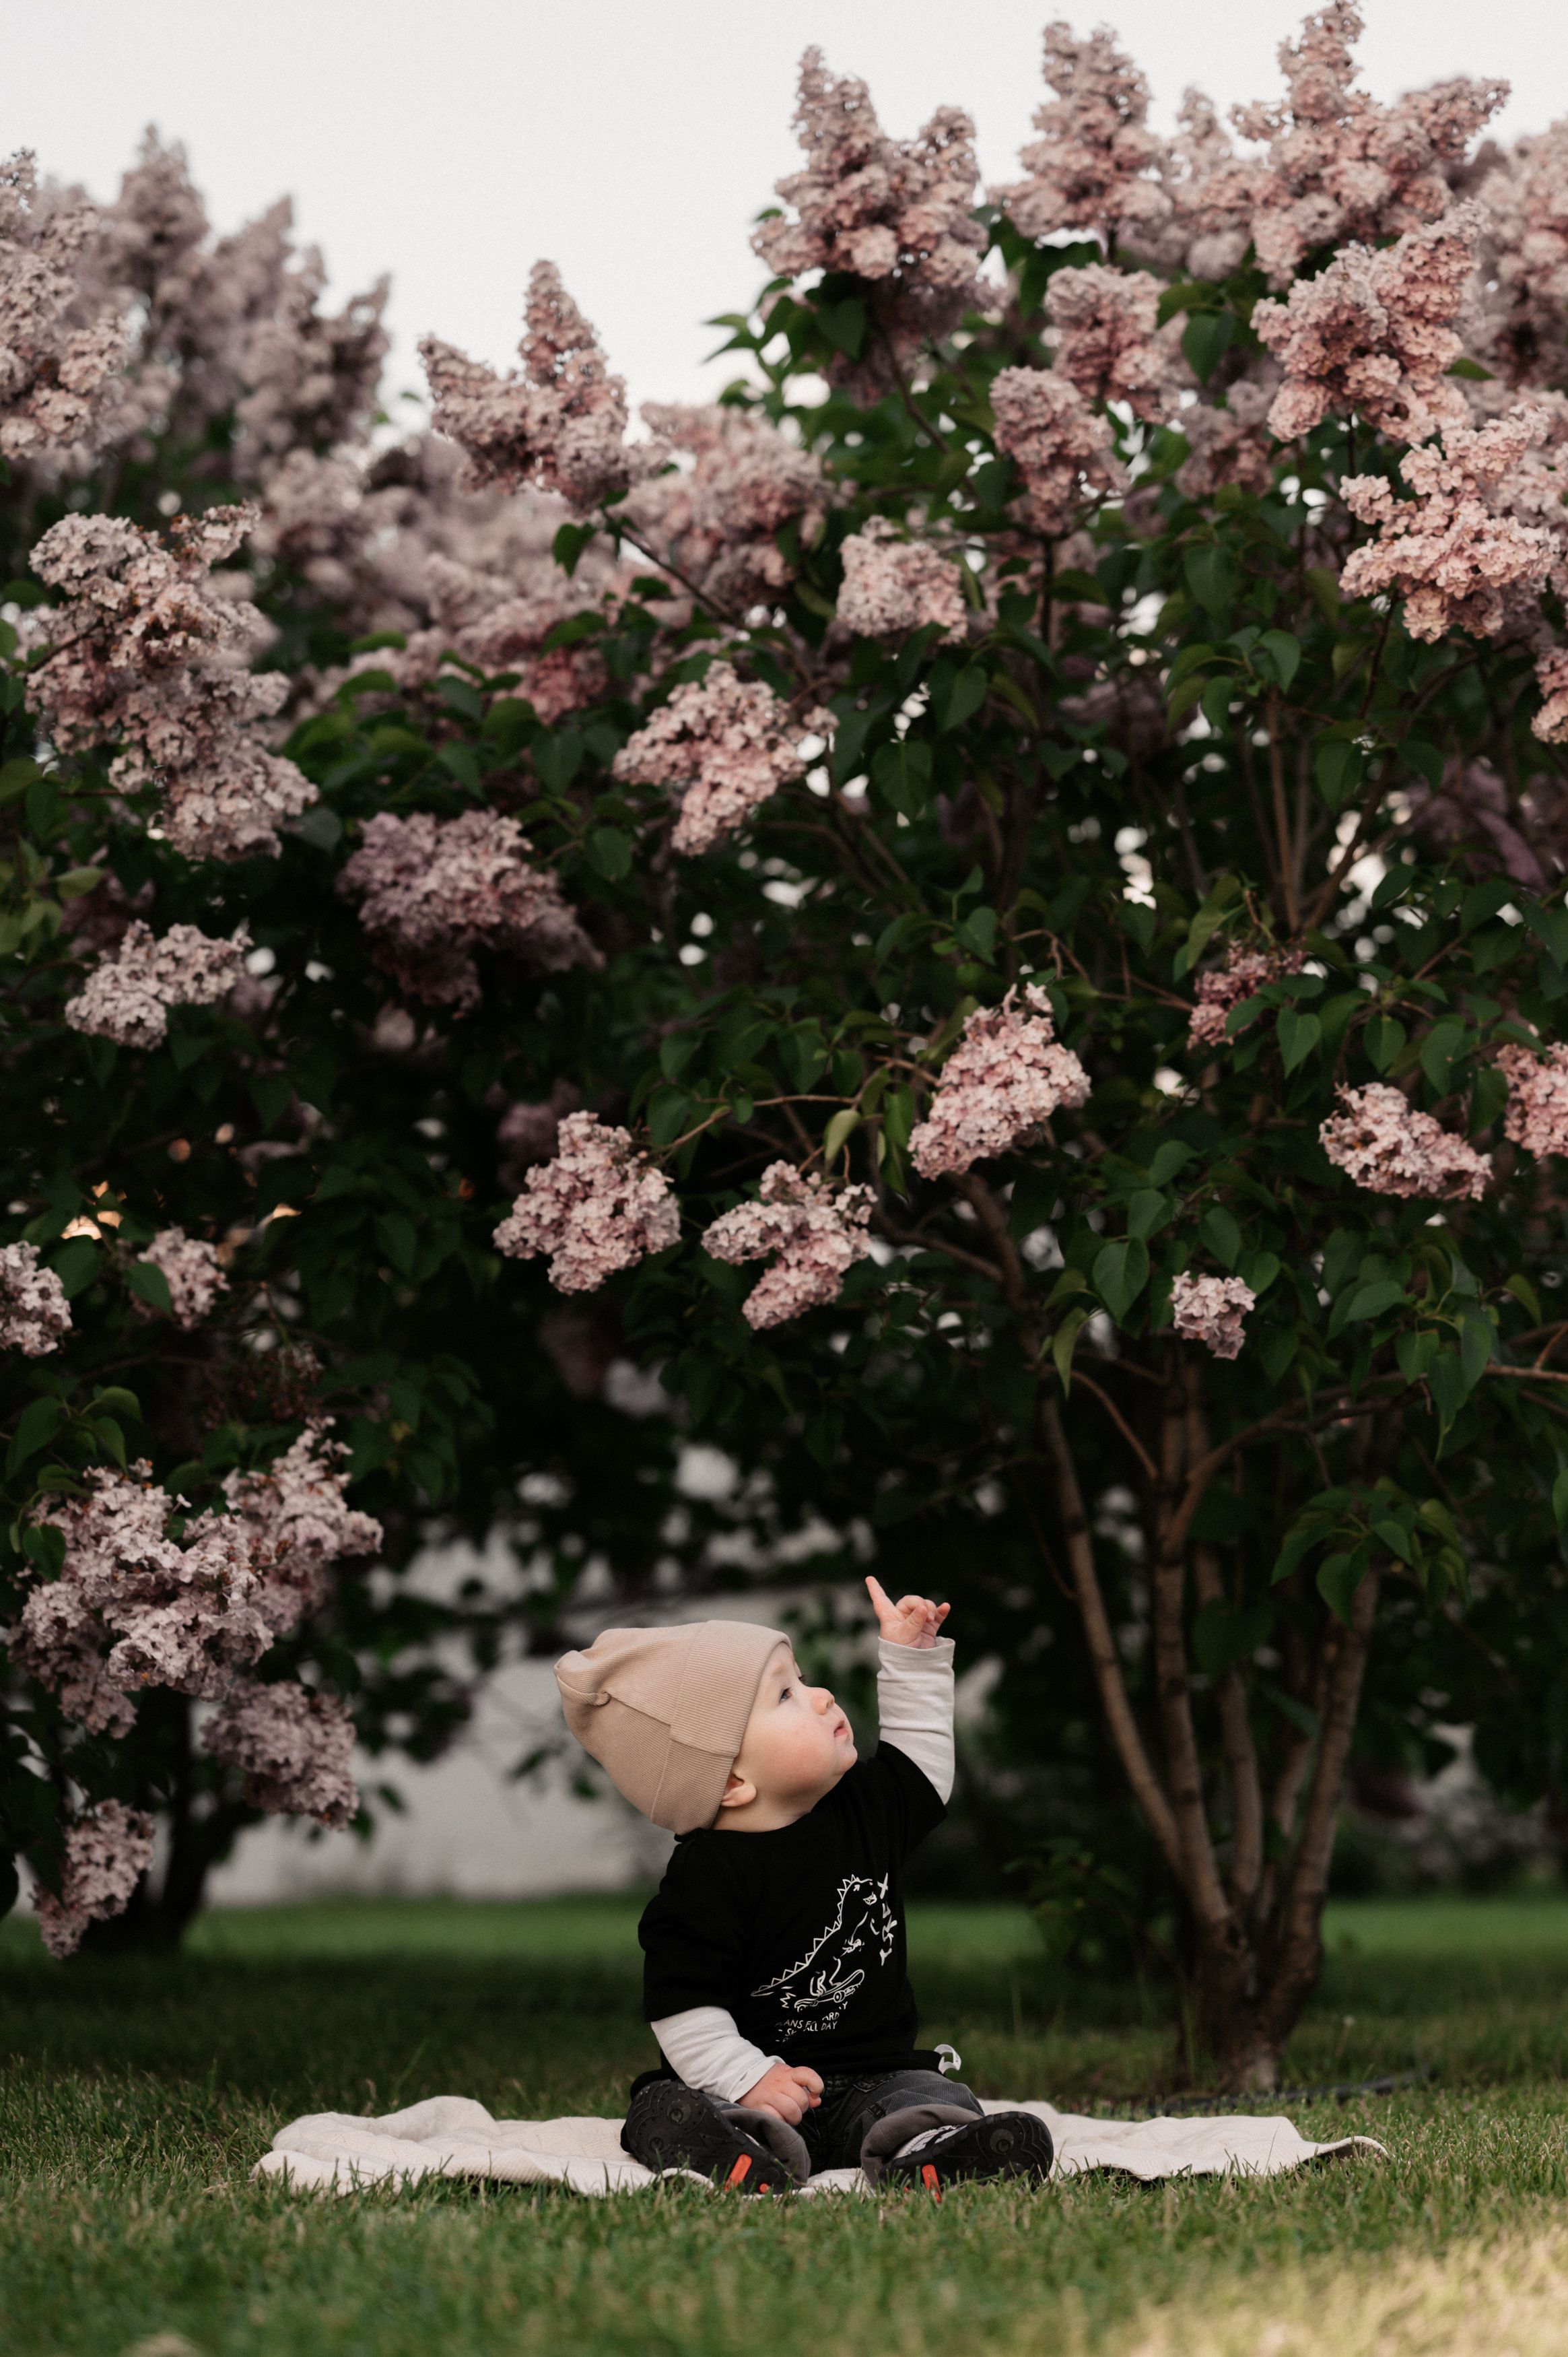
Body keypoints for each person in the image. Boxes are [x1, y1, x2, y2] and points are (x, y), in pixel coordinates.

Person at [553, 1576, 1054, 2196]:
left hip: (876, 2078)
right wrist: (748, 2078)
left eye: (803, 1679)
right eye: (786, 1695)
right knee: (674, 2101)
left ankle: (927, 2152)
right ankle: (738, 2149)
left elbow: (922, 1770)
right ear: (731, 1781)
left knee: (929, 2094)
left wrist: (910, 1660)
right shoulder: (707, 1878)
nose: (821, 1697)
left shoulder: (860, 1805)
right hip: (753, 2087)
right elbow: (682, 2006)